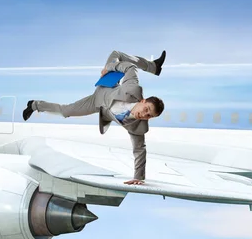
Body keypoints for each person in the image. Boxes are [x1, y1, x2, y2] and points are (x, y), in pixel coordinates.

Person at [22, 49, 166, 185]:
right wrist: (110, 67)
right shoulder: (133, 88)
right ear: (143, 101)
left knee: (66, 111)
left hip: (96, 103)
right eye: (146, 109)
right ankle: (153, 67)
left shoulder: (138, 127)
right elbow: (130, 67)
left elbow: (140, 150)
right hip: (108, 83)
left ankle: (34, 105)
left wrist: (138, 177)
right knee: (116, 54)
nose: (144, 115)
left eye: (149, 116)